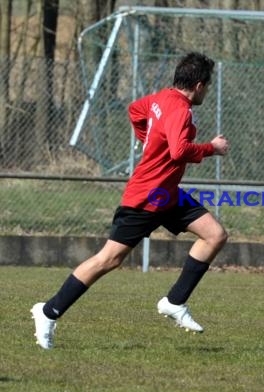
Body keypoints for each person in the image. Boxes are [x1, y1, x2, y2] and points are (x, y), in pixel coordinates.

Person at [31, 52, 229, 350]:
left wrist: (147, 140)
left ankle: (174, 302)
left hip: (166, 194)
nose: (207, 91)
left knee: (214, 234)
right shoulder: (181, 109)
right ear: (200, 85)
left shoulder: (161, 98)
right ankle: (47, 312)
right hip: (147, 194)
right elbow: (178, 150)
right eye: (208, 86)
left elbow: (135, 111)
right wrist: (211, 148)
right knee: (108, 259)